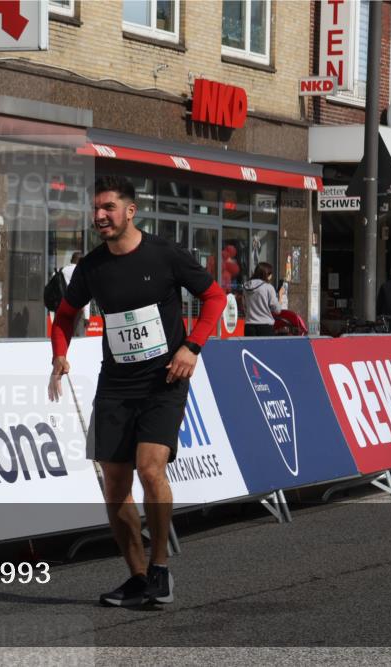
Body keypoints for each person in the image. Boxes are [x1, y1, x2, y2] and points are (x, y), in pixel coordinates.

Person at [47, 175, 225, 607]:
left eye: (108, 207)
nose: (99, 216)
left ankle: (161, 566)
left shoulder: (165, 255)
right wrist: (59, 354)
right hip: (116, 382)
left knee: (150, 469)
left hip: (164, 379)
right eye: (96, 209)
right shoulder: (92, 267)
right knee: (113, 481)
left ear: (131, 211)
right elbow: (65, 315)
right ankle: (138, 576)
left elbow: (215, 298)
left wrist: (192, 346)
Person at [242, 262, 282, 336]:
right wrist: (280, 296)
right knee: (266, 348)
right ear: (266, 274)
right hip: (265, 327)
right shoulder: (268, 287)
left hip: (249, 326)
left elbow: (245, 307)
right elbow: (277, 310)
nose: (271, 276)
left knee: (250, 348)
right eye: (270, 273)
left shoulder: (246, 287)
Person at [60, 251, 90, 337]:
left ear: (71, 260)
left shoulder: (61, 270)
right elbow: (86, 295)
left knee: (63, 336)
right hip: (77, 310)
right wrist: (87, 317)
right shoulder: (82, 272)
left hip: (62, 308)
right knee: (79, 339)